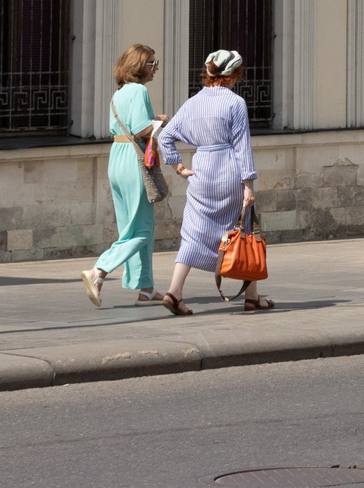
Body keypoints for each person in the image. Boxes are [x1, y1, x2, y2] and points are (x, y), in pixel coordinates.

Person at [156, 48, 269, 314]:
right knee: (245, 232)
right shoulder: (235, 103)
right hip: (229, 170)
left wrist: (178, 167)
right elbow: (243, 146)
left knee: (193, 233)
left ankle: (174, 292)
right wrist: (249, 185)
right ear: (233, 75)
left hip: (202, 170)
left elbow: (164, 137)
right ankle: (252, 297)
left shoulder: (192, 103)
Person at [82, 43, 164, 307]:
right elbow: (142, 129)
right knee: (141, 230)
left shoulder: (118, 93)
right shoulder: (139, 90)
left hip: (117, 156)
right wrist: (161, 121)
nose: (155, 69)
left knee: (131, 225)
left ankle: (146, 288)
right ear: (139, 66)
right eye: (152, 63)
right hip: (133, 158)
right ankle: (99, 271)